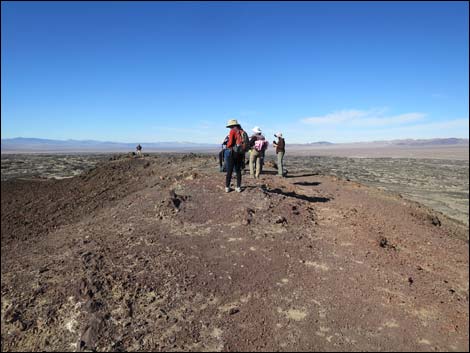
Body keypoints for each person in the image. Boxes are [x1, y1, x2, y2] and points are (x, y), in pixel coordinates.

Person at [225, 119, 248, 193]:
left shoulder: (233, 131)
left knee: (230, 170)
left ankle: (227, 187)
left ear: (232, 125)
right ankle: (238, 187)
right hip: (240, 153)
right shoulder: (242, 131)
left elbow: (230, 142)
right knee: (238, 170)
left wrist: (227, 145)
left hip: (233, 152)